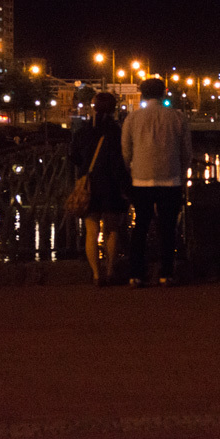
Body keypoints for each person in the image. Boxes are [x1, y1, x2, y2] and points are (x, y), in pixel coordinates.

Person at [121, 78, 192, 287]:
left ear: (142, 94)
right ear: (164, 94)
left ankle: (136, 274)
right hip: (170, 179)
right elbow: (186, 151)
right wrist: (182, 171)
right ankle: (166, 273)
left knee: (140, 226)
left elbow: (126, 152)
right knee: (168, 227)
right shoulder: (178, 117)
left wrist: (130, 172)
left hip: (141, 179)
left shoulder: (132, 119)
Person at [69, 92, 130, 286]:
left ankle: (96, 274)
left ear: (93, 107)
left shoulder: (83, 131)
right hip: (111, 184)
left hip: (90, 184)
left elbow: (74, 156)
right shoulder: (116, 131)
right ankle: (111, 270)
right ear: (113, 108)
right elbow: (122, 159)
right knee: (112, 229)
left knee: (91, 230)